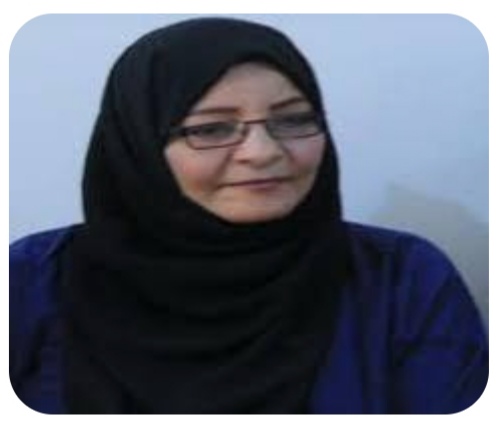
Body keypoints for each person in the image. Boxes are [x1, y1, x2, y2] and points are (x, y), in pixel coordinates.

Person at [9, 17, 488, 414]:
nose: (262, 152)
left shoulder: (402, 279)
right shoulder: (30, 282)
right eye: (211, 129)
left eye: (294, 119)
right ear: (139, 147)